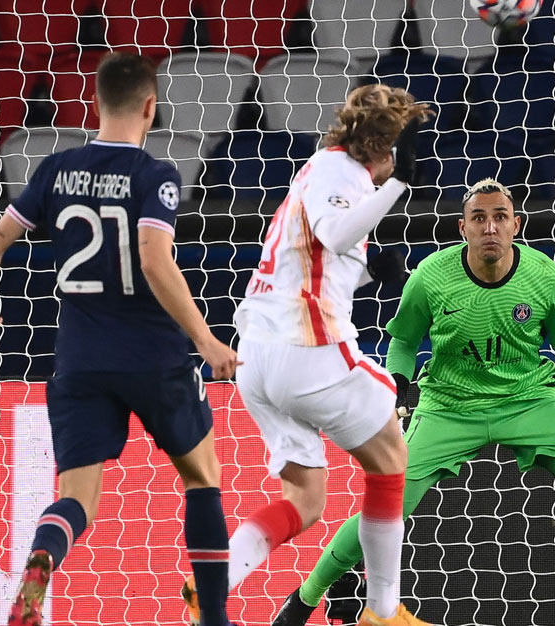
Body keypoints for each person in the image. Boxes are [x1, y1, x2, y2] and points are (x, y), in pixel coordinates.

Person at [269, 178, 555, 626]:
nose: (490, 227)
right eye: (480, 219)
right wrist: (398, 386)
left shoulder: (545, 277)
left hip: (528, 400)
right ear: (462, 228)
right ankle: (304, 601)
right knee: (383, 509)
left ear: (516, 225)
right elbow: (404, 341)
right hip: (448, 404)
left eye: (500, 217)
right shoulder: (430, 276)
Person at [0, 52, 238, 626]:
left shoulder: (55, 170)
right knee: (202, 477)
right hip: (154, 357)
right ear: (151, 108)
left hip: (80, 359)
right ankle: (213, 618)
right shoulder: (155, 175)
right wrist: (206, 340)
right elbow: (155, 261)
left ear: (95, 102)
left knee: (78, 499)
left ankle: (43, 558)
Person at [182, 84, 433, 626]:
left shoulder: (322, 174)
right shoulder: (342, 173)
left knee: (306, 500)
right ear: (385, 146)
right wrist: (402, 185)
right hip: (307, 352)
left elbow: (322, 256)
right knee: (391, 458)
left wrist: (374, 270)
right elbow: (336, 232)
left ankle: (214, 583)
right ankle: (383, 612)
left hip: (259, 361)